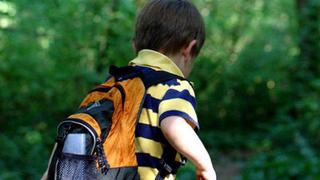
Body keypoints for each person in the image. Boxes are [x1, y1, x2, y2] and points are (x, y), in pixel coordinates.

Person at [132, 0, 216, 179]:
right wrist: (205, 164)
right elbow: (173, 123)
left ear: (135, 45)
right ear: (189, 48)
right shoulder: (174, 86)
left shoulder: (115, 83)